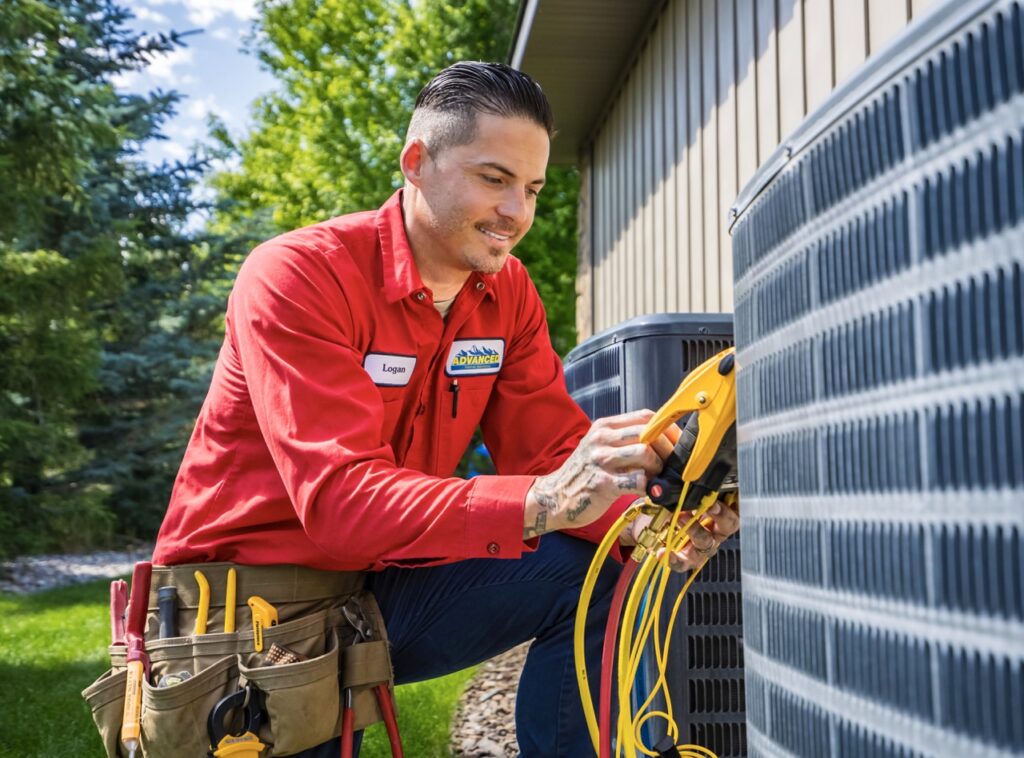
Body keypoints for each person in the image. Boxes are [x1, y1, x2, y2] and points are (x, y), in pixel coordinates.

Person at [153, 61, 739, 756]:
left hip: (378, 588)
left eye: (532, 189)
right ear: (416, 163)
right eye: (494, 179)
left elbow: (548, 452)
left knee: (606, 572)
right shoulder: (299, 276)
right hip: (243, 613)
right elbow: (340, 504)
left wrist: (644, 530)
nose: (516, 214)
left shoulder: (506, 293)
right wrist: (547, 500)